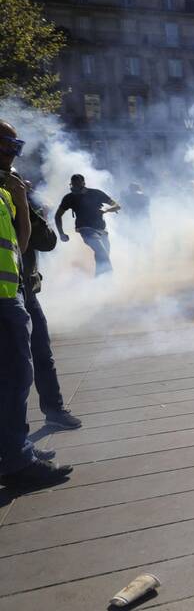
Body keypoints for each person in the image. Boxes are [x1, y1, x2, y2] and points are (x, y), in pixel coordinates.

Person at [0, 121, 73, 490]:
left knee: (25, 369)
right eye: (7, 145)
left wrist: (25, 202)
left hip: (18, 290)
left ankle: (17, 447)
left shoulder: (10, 190)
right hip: (6, 299)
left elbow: (34, 242)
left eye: (16, 146)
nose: (13, 153)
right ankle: (15, 459)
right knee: (14, 377)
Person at [22, 177, 81, 429]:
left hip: (23, 290)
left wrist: (25, 204)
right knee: (16, 366)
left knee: (42, 353)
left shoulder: (15, 195)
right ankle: (15, 440)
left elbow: (46, 241)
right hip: (10, 295)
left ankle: (54, 410)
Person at [55, 174, 120, 276]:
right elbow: (58, 216)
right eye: (73, 184)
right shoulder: (69, 198)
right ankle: (108, 280)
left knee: (103, 256)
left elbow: (117, 206)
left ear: (83, 183)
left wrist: (106, 209)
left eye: (77, 184)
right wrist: (61, 233)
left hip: (101, 230)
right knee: (101, 252)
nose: (75, 187)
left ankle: (98, 281)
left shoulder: (96, 193)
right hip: (85, 229)